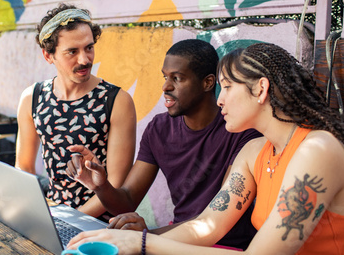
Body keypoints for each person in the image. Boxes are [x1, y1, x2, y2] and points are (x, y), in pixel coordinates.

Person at [66, 42, 344, 254]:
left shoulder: (317, 150)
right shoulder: (254, 152)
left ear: (261, 89)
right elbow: (206, 227)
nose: (219, 99)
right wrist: (135, 240)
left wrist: (142, 244)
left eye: (227, 87)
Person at [66, 39, 262, 250]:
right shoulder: (159, 129)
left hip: (224, 245)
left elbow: (216, 220)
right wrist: (100, 185)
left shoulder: (240, 131)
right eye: (165, 77)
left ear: (207, 83)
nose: (165, 87)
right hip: (172, 237)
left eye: (177, 79)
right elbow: (128, 200)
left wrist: (145, 238)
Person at [15, 3, 137, 219]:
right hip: (51, 213)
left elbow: (117, 183)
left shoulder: (117, 101)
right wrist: (38, 215)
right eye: (72, 51)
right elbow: (23, 168)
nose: (85, 59)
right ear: (48, 55)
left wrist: (71, 220)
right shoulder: (32, 98)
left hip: (101, 222)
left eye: (89, 47)